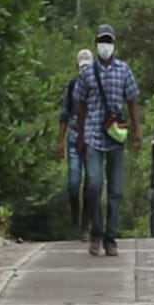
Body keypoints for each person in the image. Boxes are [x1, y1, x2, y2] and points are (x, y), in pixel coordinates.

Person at [74, 24, 142, 256]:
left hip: (115, 136)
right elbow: (80, 105)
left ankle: (110, 237)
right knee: (93, 184)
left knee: (116, 190)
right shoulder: (87, 73)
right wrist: (80, 135)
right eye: (102, 40)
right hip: (93, 134)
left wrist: (137, 132)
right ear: (96, 43)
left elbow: (132, 101)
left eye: (108, 41)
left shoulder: (123, 70)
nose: (105, 45)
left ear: (113, 44)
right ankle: (96, 231)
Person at [58, 48, 94, 240]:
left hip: (92, 141)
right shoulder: (72, 86)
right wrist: (60, 141)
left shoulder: (98, 87)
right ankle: (74, 222)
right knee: (73, 184)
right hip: (73, 139)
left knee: (90, 184)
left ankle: (85, 227)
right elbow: (64, 114)